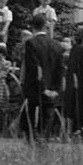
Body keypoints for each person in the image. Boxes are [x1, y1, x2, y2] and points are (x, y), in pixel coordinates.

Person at [20, 12, 64, 141]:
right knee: (46, 117)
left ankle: (31, 138)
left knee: (29, 114)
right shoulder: (57, 45)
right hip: (52, 88)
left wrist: (42, 87)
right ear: (46, 26)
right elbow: (60, 69)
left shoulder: (31, 43)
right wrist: (56, 89)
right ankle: (43, 139)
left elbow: (34, 68)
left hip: (35, 87)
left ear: (33, 27)